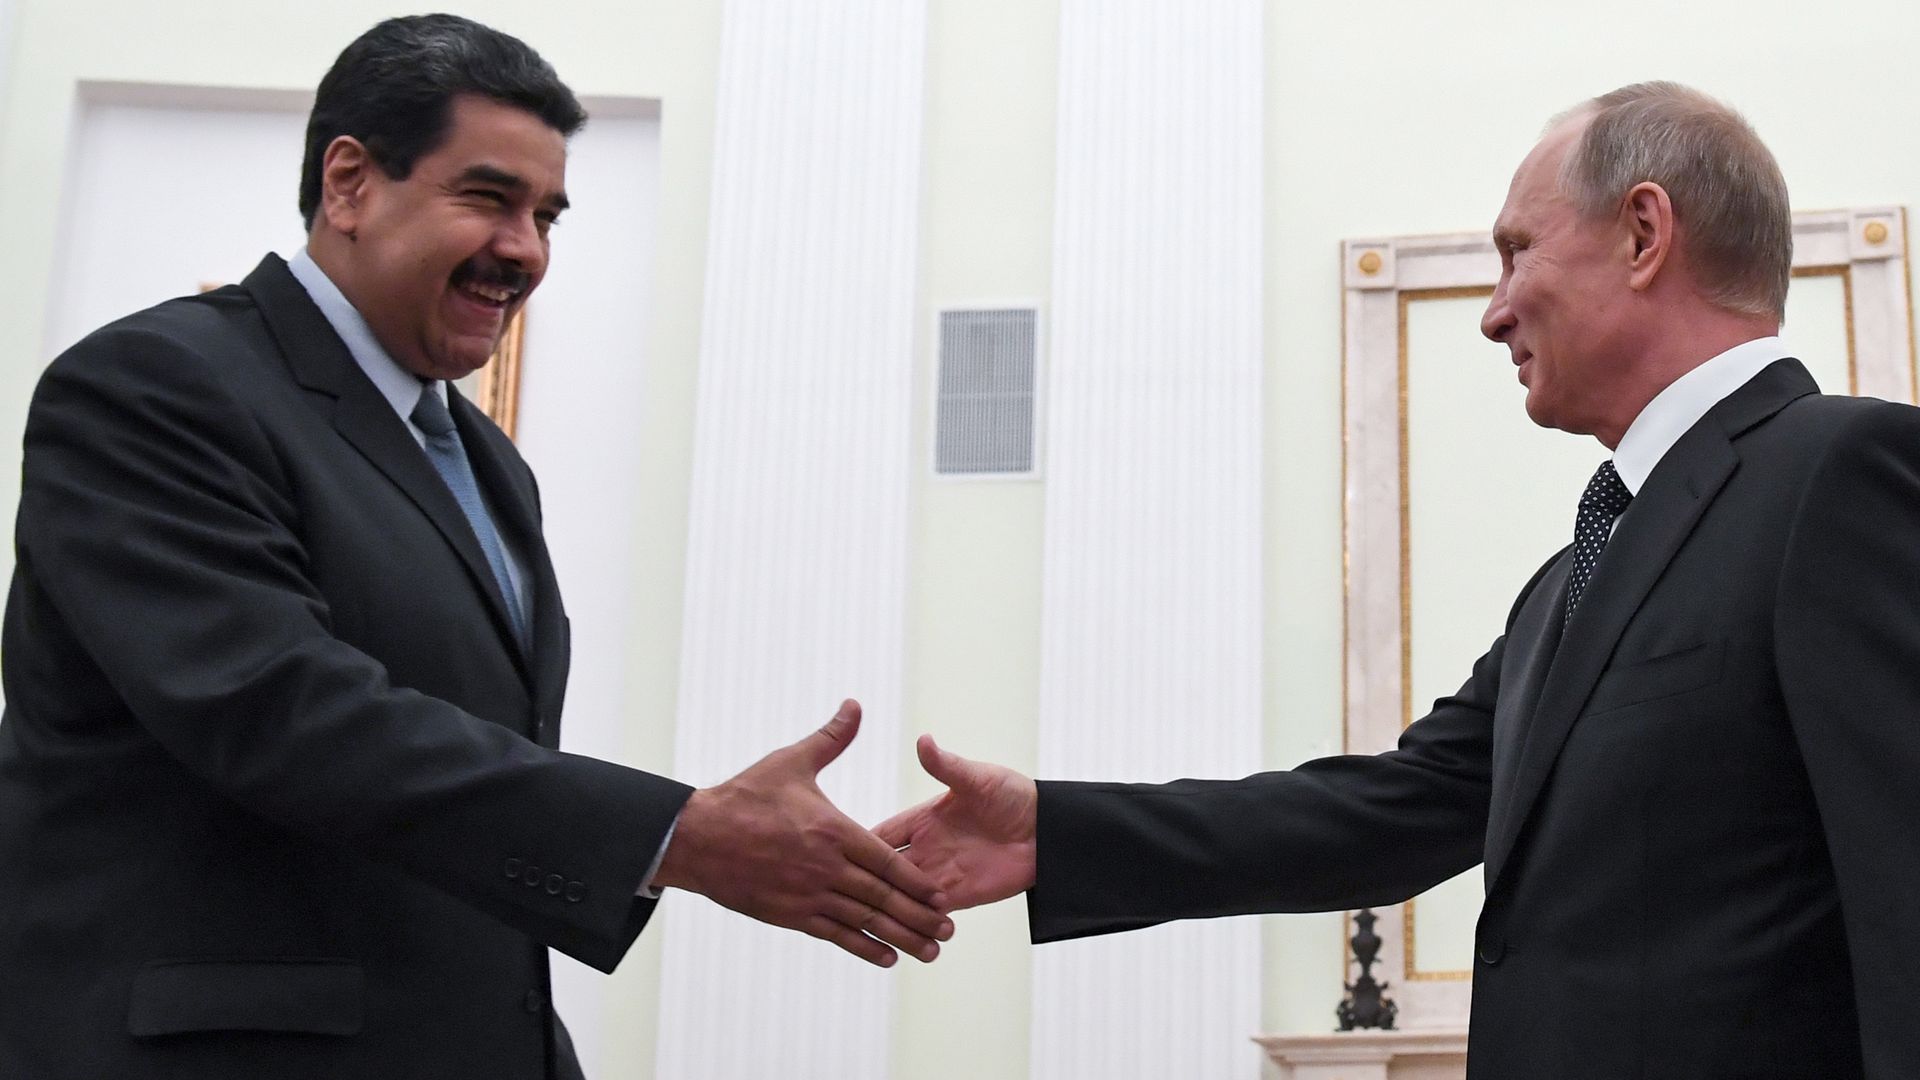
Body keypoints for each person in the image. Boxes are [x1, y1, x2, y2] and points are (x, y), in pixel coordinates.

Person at [879, 82, 1920, 1079]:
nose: (1494, 312)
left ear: (1645, 235)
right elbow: (1394, 810)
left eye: (1517, 254)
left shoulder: (1843, 474)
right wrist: (1055, 833)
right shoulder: (1569, 586)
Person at [0, 15, 949, 1080]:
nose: (527, 251)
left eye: (547, 216)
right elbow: (279, 711)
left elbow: (472, 784)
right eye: (488, 199)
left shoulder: (486, 462)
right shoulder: (153, 387)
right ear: (349, 183)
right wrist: (674, 834)